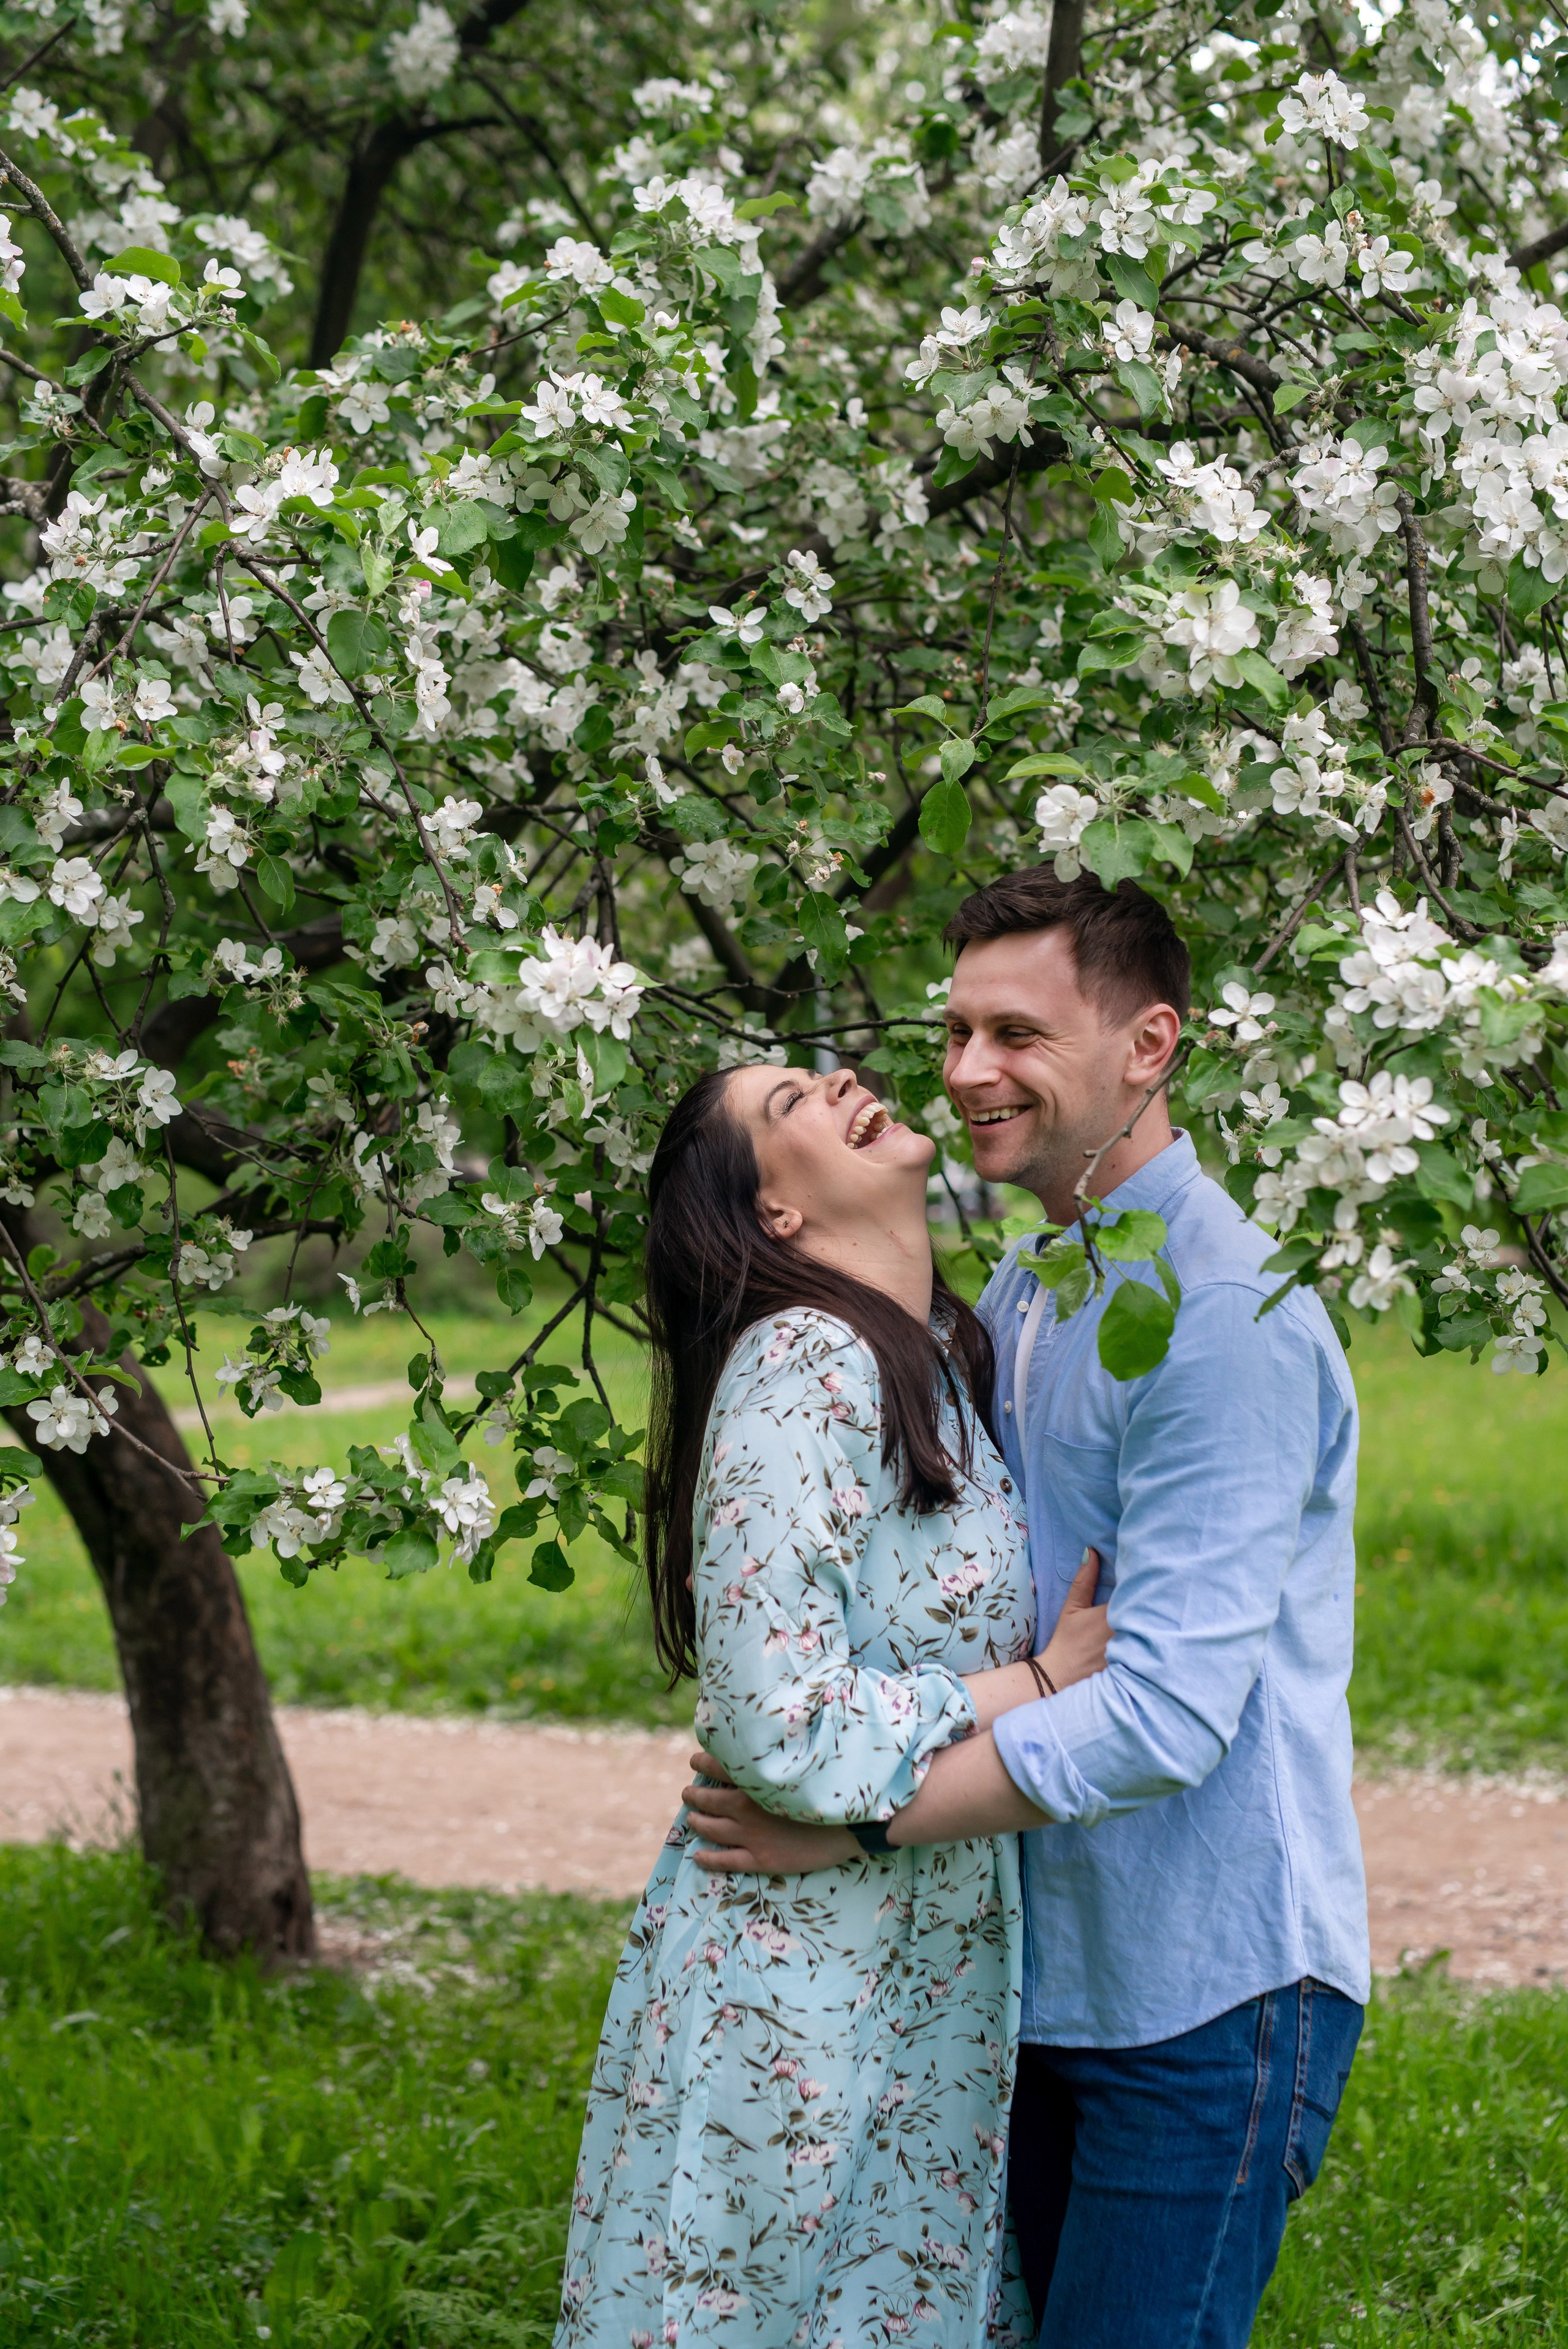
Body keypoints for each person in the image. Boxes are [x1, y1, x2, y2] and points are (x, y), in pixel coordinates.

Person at [685, 868, 1371, 2349]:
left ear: (1148, 1045)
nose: (966, 1071)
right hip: (1043, 1982)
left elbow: (1164, 1714)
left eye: (1018, 1032)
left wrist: (854, 1817)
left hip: (1205, 1993)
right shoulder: (1029, 1287)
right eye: (954, 1029)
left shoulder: (1221, 1321)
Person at [554, 1057, 1111, 2349]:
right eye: (787, 1102)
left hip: (906, 1969)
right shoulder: (804, 1363)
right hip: (794, 1992)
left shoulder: (928, 1361)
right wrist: (1030, 1685)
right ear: (773, 1215)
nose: (839, 1078)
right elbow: (771, 1722)